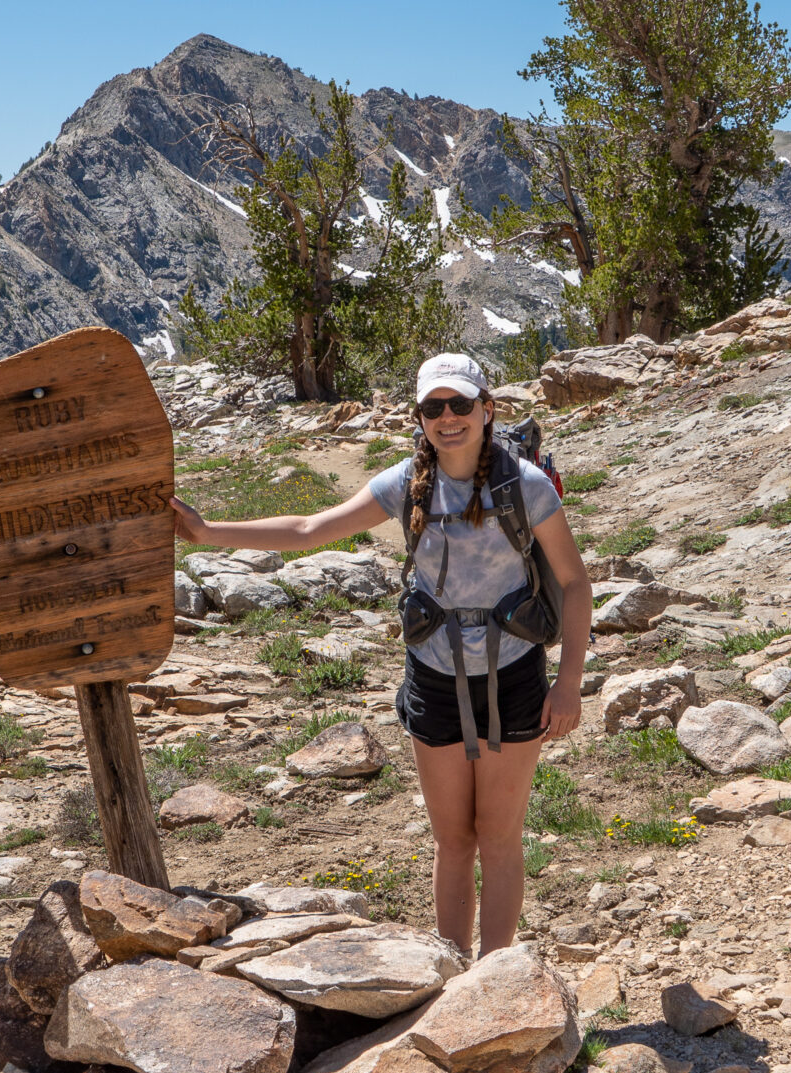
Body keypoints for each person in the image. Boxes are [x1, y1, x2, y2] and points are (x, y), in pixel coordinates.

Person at [171, 354, 590, 957]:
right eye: (433, 408)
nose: (448, 418)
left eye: (460, 405)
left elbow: (575, 583)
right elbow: (310, 529)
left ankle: (498, 978)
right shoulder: (404, 483)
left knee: (498, 837)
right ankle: (452, 973)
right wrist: (209, 532)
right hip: (435, 676)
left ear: (487, 409)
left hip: (513, 673)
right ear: (419, 417)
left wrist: (569, 682)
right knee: (454, 840)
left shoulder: (523, 484)